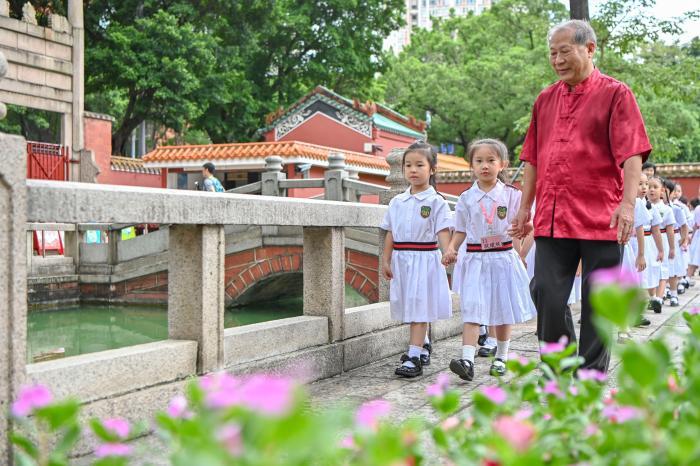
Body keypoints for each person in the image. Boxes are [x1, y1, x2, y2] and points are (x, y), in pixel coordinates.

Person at [510, 20, 652, 373]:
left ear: (589, 49)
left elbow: (632, 154)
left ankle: (590, 374)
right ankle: (560, 365)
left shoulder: (616, 93)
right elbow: (532, 157)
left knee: (599, 301)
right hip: (553, 216)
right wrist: (524, 208)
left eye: (564, 51)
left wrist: (628, 204)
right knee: (545, 289)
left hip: (602, 215)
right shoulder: (545, 99)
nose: (557, 60)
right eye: (552, 53)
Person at [442, 139, 536, 381]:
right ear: (471, 165)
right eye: (479, 161)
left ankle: (502, 357)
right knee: (473, 309)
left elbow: (523, 225)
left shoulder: (512, 195)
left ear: (502, 164)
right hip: (475, 259)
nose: (485, 166)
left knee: (503, 310)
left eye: (491, 160)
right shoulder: (466, 198)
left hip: (503, 257)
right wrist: (452, 248)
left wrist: (521, 248)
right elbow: (460, 229)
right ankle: (467, 360)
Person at [380, 142, 452, 378]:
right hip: (402, 260)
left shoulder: (436, 202)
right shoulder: (397, 202)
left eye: (419, 165)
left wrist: (447, 252)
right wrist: (386, 260)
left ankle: (413, 356)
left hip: (425, 259)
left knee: (420, 308)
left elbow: (442, 231)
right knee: (410, 306)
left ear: (432, 169)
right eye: (408, 165)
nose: (413, 170)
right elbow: (390, 232)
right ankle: (423, 345)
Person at [648, 177, 676, 307]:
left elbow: (670, 230)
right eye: (649, 187)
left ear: (662, 191)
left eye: (655, 187)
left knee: (663, 269)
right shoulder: (643, 206)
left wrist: (671, 248)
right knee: (650, 268)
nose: (651, 190)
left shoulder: (667, 209)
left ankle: (659, 298)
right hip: (648, 240)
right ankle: (652, 296)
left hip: (662, 240)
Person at [638, 173, 665, 313]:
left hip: (647, 243)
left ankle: (652, 297)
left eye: (646, 184)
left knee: (648, 272)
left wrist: (661, 250)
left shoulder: (650, 207)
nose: (644, 188)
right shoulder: (630, 205)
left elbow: (656, 230)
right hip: (632, 243)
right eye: (640, 184)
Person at [666, 179, 688, 305]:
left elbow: (684, 225)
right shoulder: (652, 206)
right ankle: (662, 292)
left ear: (672, 193)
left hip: (673, 238)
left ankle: (674, 294)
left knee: (672, 268)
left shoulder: (677, 209)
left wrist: (683, 239)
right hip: (659, 239)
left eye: (666, 191)